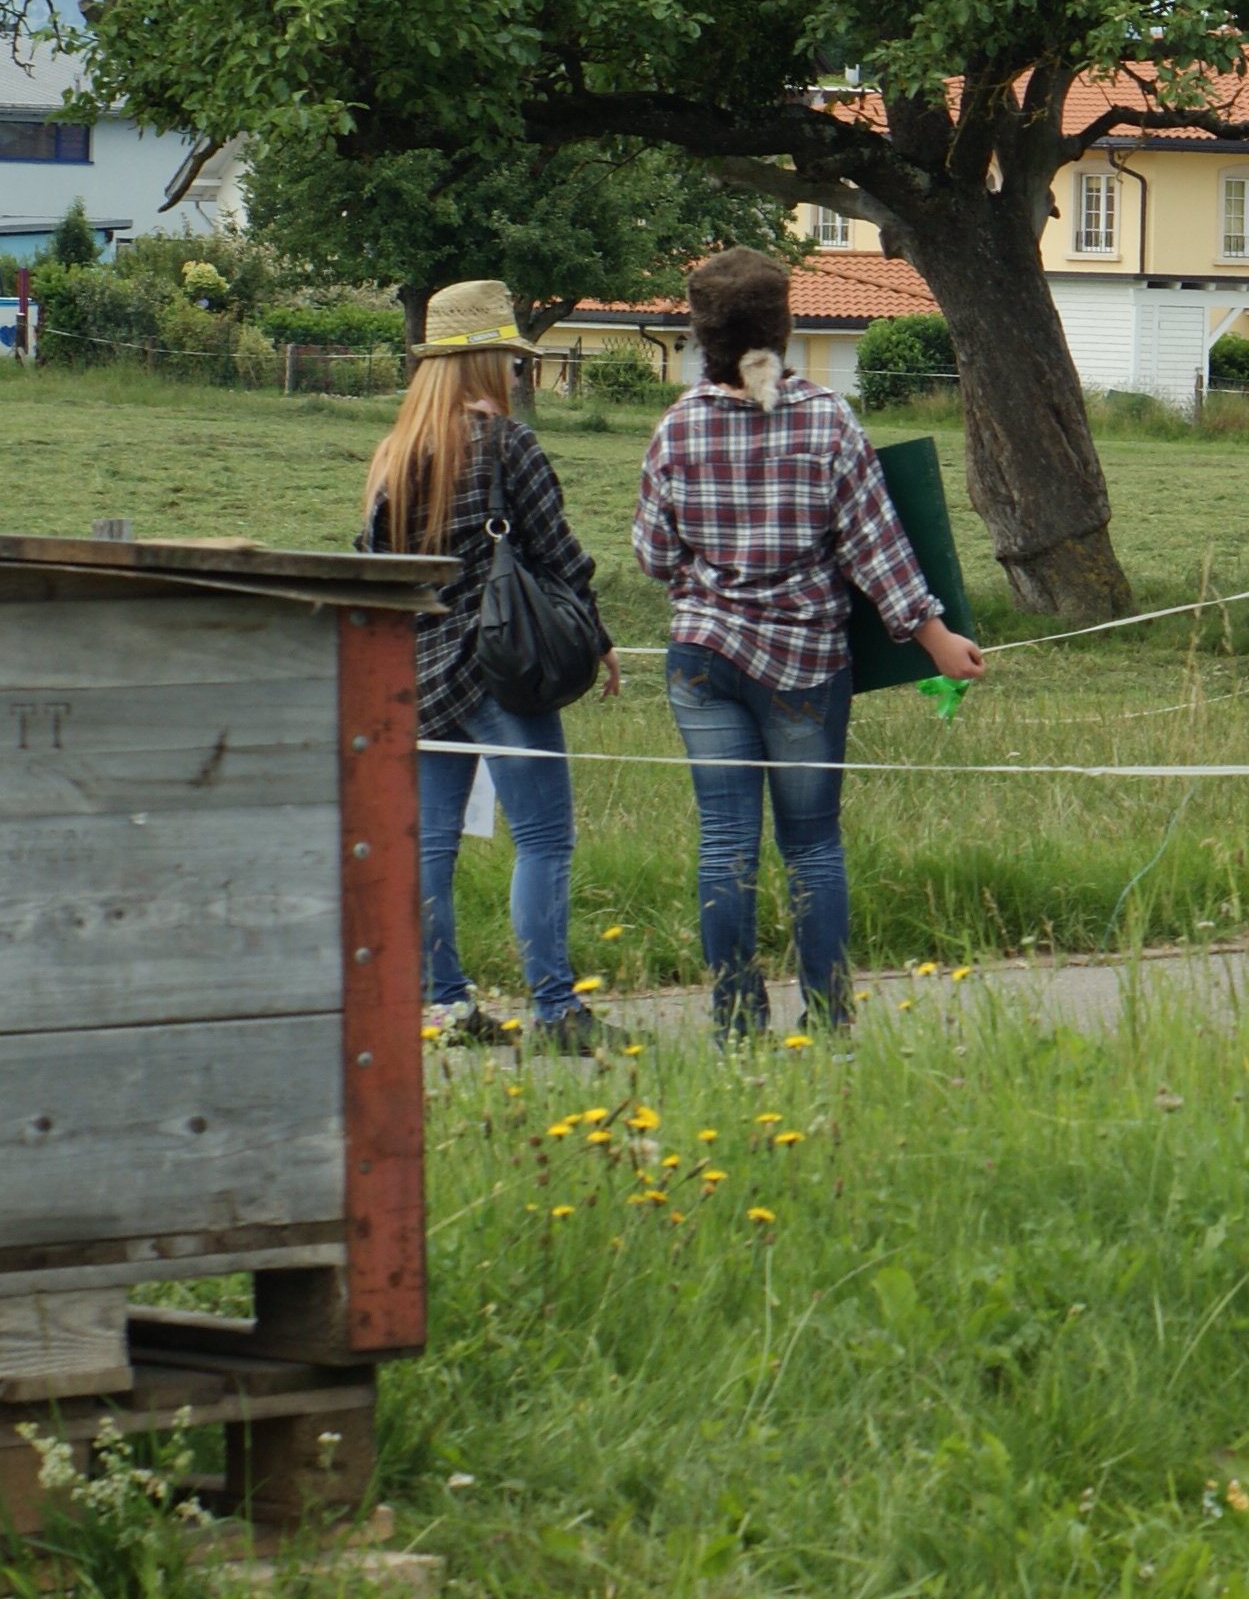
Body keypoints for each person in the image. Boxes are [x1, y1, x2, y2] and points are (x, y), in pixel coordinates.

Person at [634, 248, 981, 1040]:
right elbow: (876, 550)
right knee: (813, 848)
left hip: (703, 660)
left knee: (725, 845)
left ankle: (736, 1026)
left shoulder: (677, 427)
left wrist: (710, 572)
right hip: (804, 666)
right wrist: (935, 639)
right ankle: (828, 1023)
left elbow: (653, 555)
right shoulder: (827, 419)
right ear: (785, 327)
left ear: (702, 334)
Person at [362, 278, 603, 1049]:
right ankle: (555, 1009)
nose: (515, 371)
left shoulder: (394, 455)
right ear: (489, 361)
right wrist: (595, 637)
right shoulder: (507, 444)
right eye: (510, 358)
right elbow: (559, 554)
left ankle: (442, 1005)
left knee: (431, 844)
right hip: (506, 668)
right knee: (544, 839)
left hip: (421, 673)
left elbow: (373, 569)